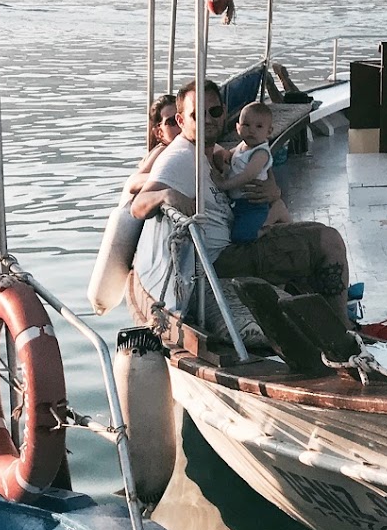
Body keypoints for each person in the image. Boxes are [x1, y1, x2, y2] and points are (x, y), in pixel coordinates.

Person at [126, 80, 352, 338]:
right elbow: (138, 206)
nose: (208, 120)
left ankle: (320, 320)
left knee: (312, 231)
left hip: (234, 241)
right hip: (222, 258)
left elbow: (248, 165)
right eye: (197, 115)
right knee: (328, 241)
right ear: (181, 120)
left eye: (214, 112)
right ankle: (343, 331)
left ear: (224, 112)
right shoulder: (179, 158)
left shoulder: (209, 151)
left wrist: (273, 190)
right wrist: (167, 194)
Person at [217, 101, 293, 242]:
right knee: (236, 231)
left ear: (269, 131)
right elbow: (231, 153)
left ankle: (270, 222)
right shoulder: (243, 146)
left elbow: (248, 175)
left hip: (253, 204)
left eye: (258, 126)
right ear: (238, 128)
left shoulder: (261, 153)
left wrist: (224, 184)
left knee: (242, 237)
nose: (252, 130)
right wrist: (225, 155)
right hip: (239, 203)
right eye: (246, 125)